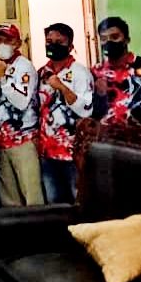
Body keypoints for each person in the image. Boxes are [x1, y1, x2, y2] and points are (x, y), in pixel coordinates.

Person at [38, 23, 94, 204]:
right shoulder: (42, 73)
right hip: (47, 152)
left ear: (70, 46)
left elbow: (86, 110)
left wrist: (62, 88)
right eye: (49, 41)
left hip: (73, 153)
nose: (53, 45)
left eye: (59, 42)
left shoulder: (80, 72)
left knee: (77, 202)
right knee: (54, 203)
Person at [0, 24, 44, 207]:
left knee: (32, 195)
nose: (1, 44)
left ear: (17, 43)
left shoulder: (24, 66)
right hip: (1, 142)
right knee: (9, 199)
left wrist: (2, 79)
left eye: (7, 40)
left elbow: (21, 102)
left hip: (23, 140)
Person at [91, 17, 141, 130]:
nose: (109, 42)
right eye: (104, 38)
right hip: (108, 136)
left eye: (115, 37)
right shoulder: (95, 73)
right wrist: (99, 96)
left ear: (127, 39)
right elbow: (91, 114)